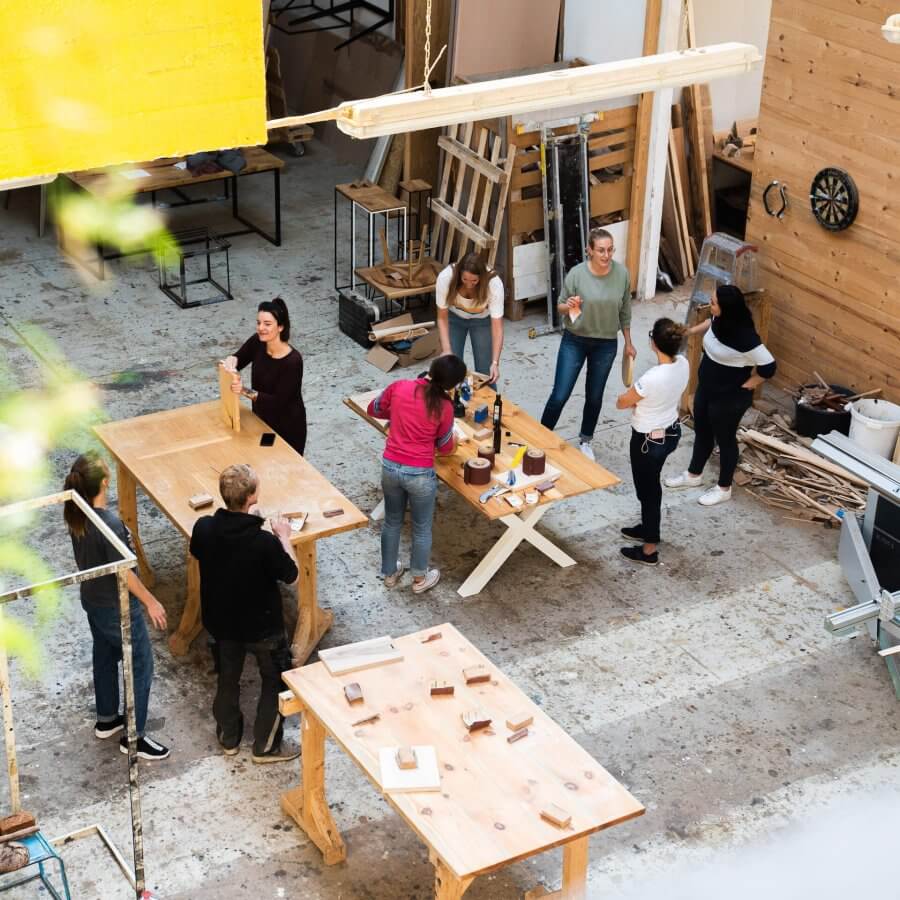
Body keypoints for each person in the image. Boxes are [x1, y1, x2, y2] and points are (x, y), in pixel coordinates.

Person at [189, 464, 300, 763]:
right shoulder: (264, 543)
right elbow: (292, 576)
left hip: (223, 624)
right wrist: (284, 537)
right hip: (262, 626)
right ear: (251, 497)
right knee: (274, 681)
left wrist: (248, 521)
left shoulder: (204, 528)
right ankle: (265, 746)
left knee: (227, 678)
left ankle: (229, 738)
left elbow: (206, 549)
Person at [63, 452, 170, 760]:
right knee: (140, 664)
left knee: (106, 655)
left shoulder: (76, 513)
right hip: (117, 605)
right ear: (105, 483)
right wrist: (150, 601)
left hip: (92, 600)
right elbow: (125, 571)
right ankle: (134, 737)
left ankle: (107, 718)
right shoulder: (109, 523)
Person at [665, 285, 776, 506]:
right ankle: (693, 475)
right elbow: (710, 325)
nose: (710, 303)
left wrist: (748, 385)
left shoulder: (746, 338)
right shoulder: (720, 320)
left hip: (729, 398)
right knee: (703, 431)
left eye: (713, 302)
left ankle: (724, 488)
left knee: (725, 440)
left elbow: (769, 366)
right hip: (707, 388)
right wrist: (690, 330)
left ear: (727, 308)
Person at [367, 354, 467, 594]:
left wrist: (399, 417)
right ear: (451, 386)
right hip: (420, 473)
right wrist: (453, 437)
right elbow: (444, 447)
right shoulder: (444, 407)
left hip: (390, 467)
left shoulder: (400, 387)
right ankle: (419, 579)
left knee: (392, 521)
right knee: (421, 528)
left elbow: (374, 408)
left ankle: (390, 574)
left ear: (430, 369)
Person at [540, 227, 636, 461]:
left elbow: (625, 310)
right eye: (601, 250)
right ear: (589, 250)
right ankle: (539, 438)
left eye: (610, 250)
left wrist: (628, 343)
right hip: (575, 340)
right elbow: (561, 306)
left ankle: (586, 440)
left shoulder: (622, 274)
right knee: (560, 394)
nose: (606, 255)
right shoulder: (576, 274)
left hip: (606, 344)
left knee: (594, 396)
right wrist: (569, 303)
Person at [615, 319, 690, 566]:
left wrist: (629, 399)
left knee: (648, 491)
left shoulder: (651, 378)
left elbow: (623, 402)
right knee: (650, 486)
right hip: (670, 432)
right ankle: (648, 526)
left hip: (647, 441)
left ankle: (649, 549)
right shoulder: (683, 364)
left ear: (653, 343)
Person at [222, 297, 307, 455]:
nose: (261, 328)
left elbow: (278, 402)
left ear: (280, 326)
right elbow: (240, 357)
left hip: (287, 427)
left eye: (267, 324)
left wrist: (244, 391)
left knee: (283, 469)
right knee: (261, 460)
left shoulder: (293, 362)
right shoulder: (258, 342)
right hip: (261, 420)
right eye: (258, 323)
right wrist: (232, 359)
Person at [435, 253, 504, 386]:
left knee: (486, 372)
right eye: (465, 279)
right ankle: (452, 405)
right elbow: (442, 317)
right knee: (451, 368)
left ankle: (489, 406)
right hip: (454, 318)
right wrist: (446, 349)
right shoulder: (446, 277)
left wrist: (495, 363)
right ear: (459, 274)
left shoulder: (494, 284)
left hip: (482, 321)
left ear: (482, 278)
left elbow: (497, 327)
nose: (469, 285)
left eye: (474, 281)